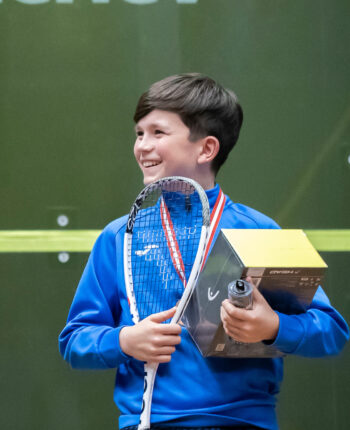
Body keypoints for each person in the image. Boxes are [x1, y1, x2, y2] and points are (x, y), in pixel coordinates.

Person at [58, 73, 348, 430]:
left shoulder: (259, 230)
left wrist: (273, 326)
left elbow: (332, 331)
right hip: (149, 421)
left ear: (206, 149)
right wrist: (124, 340)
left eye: (158, 133)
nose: (143, 146)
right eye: (139, 133)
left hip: (247, 422)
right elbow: (74, 340)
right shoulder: (120, 236)